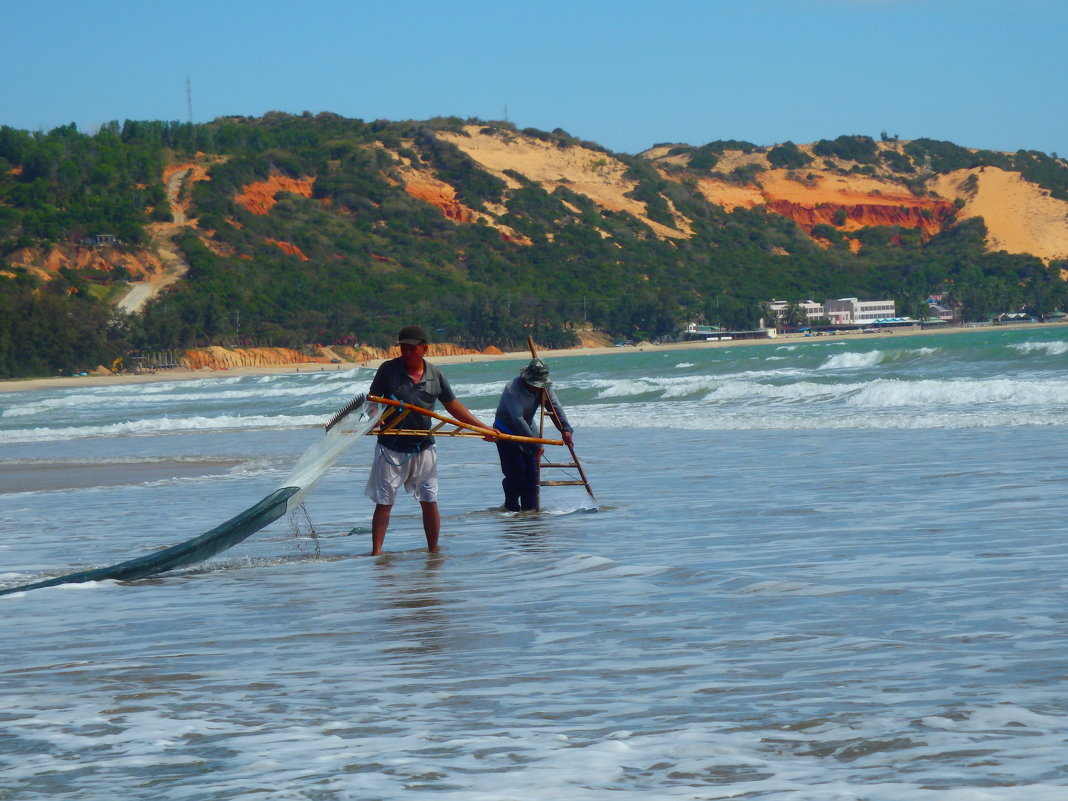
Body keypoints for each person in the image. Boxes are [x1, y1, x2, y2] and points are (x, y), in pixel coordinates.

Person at [365, 325, 496, 555]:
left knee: (429, 500)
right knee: (385, 502)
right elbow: (372, 401)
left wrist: (484, 428)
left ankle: (433, 551)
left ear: (425, 348)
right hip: (391, 446)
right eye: (403, 348)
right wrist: (374, 418)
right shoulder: (388, 370)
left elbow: (453, 406)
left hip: (424, 446)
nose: (407, 353)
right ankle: (376, 554)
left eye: (412, 349)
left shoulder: (436, 374)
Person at [493, 358, 574, 511]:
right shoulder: (512, 389)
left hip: (529, 428)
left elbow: (555, 407)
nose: (536, 389)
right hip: (506, 431)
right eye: (534, 386)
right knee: (517, 473)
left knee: (532, 475)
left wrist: (566, 429)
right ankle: (511, 507)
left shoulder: (544, 388)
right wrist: (536, 446)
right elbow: (516, 419)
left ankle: (529, 513)